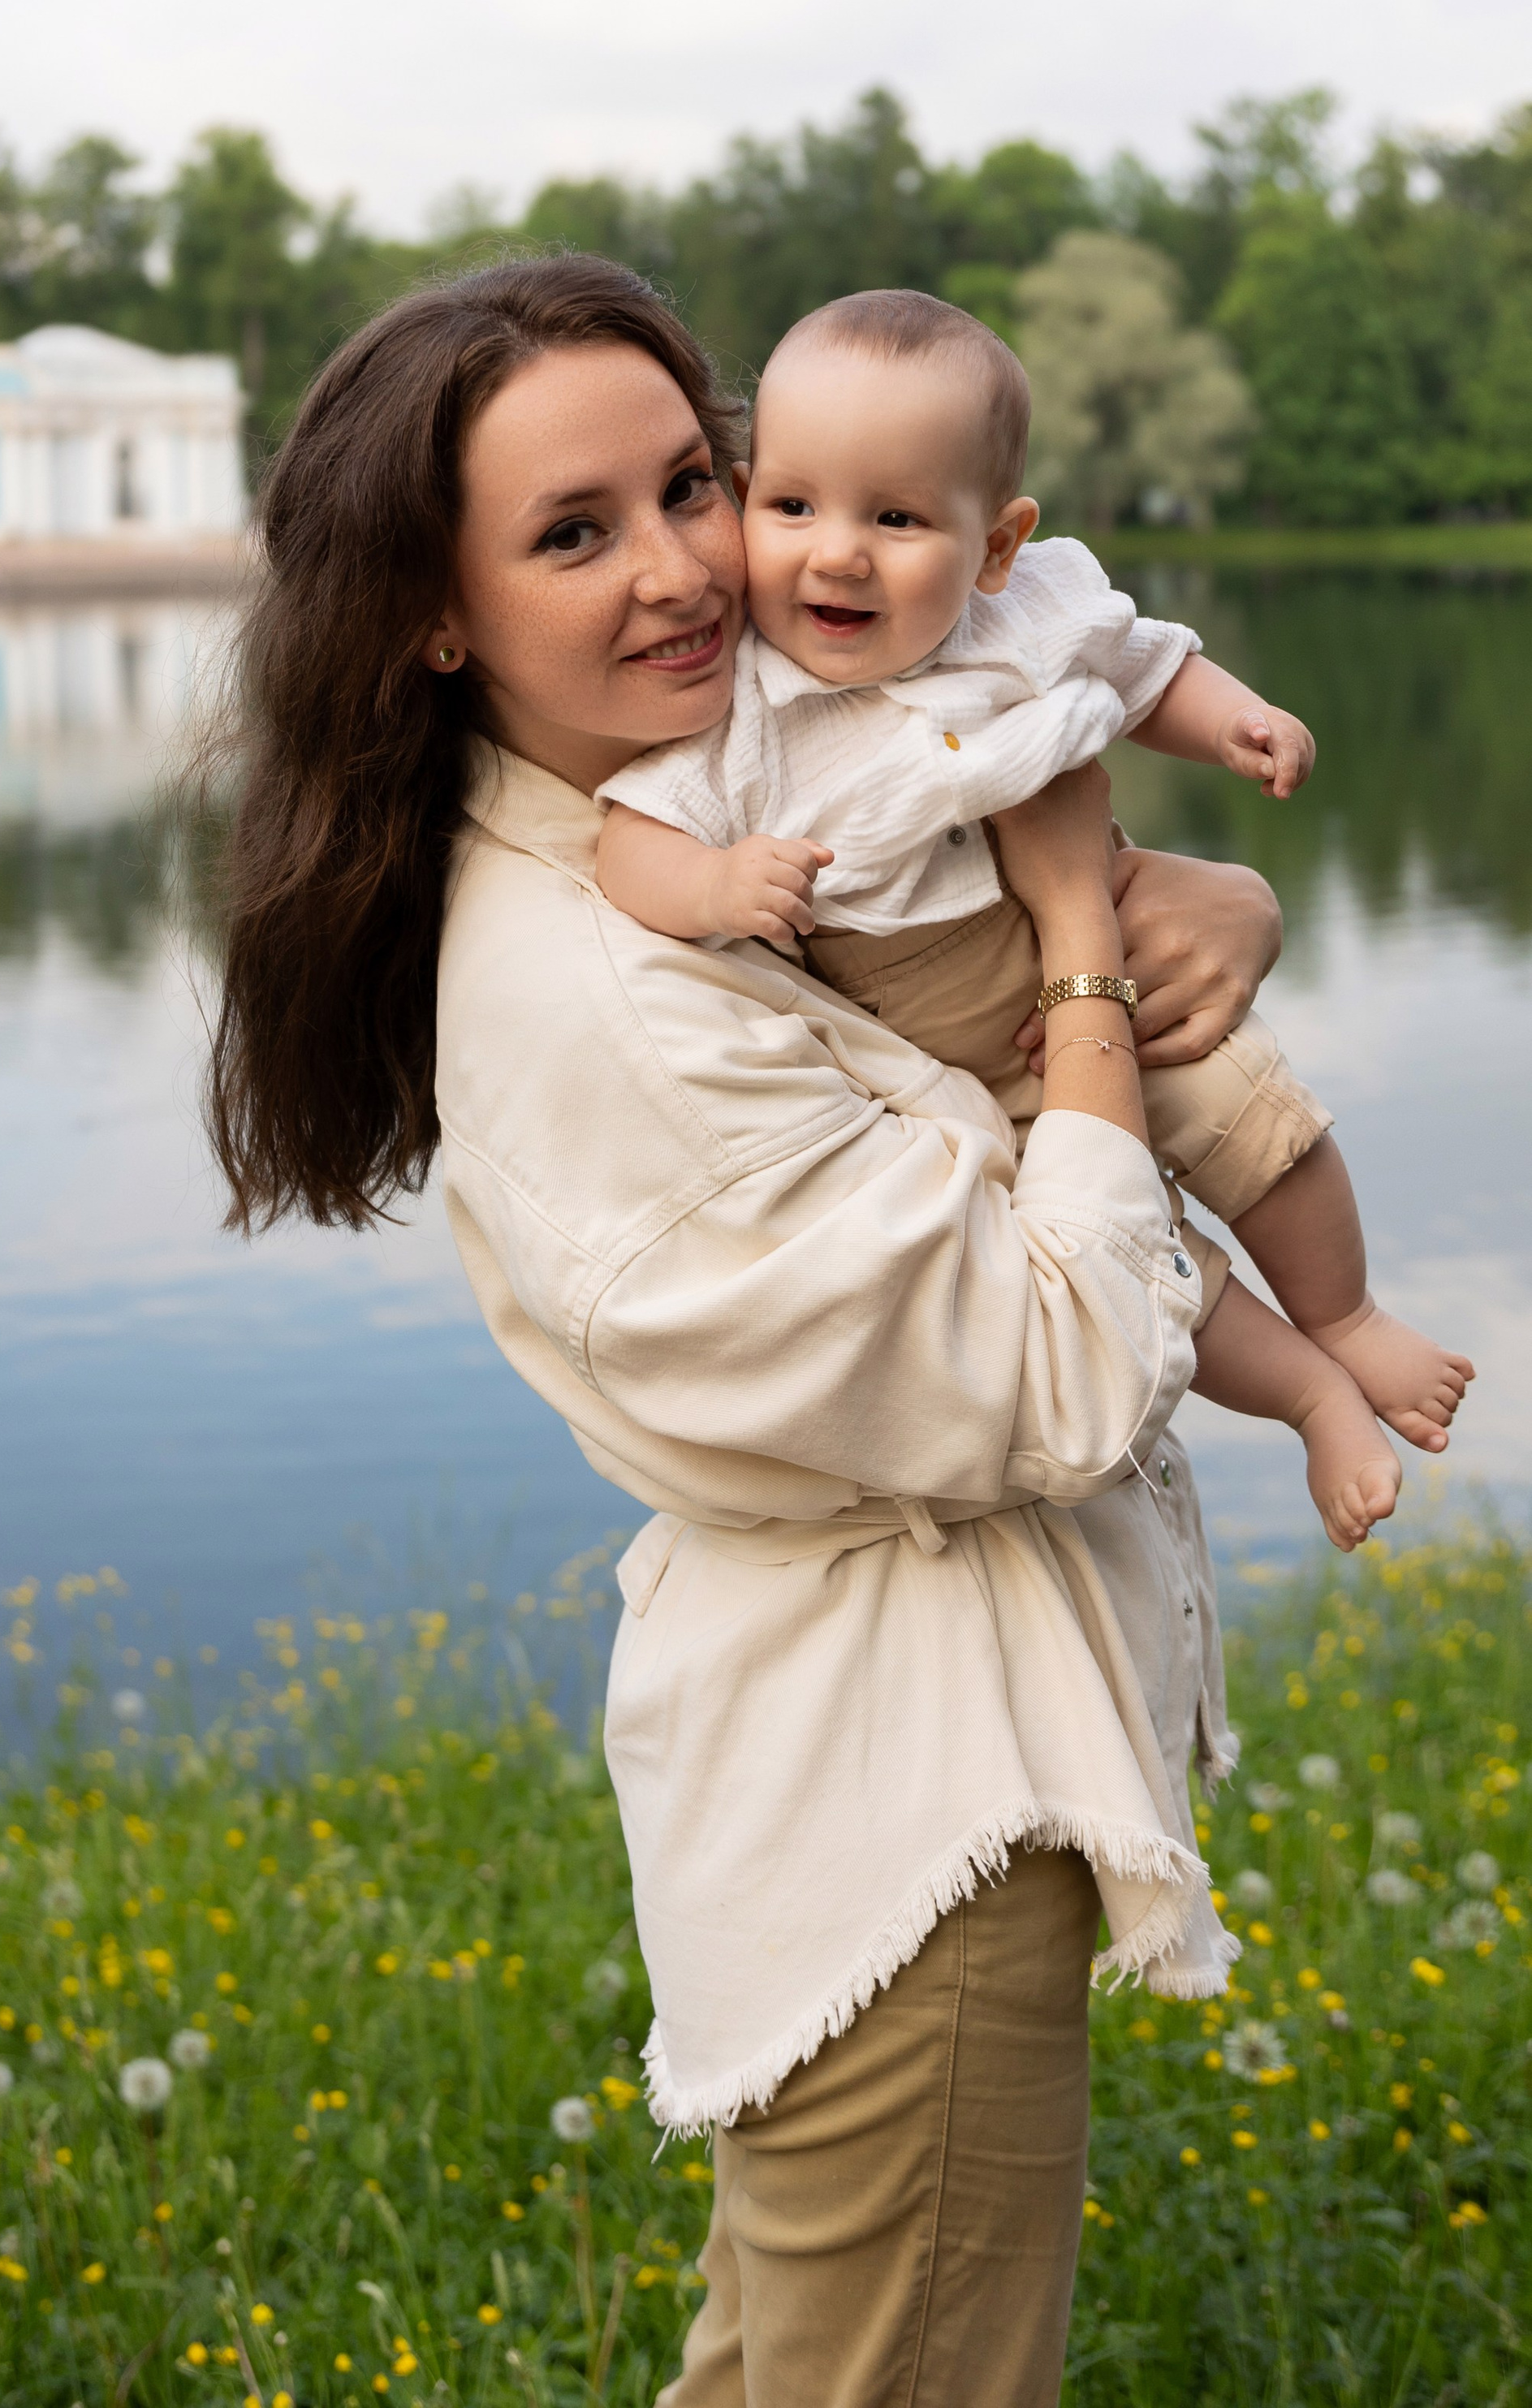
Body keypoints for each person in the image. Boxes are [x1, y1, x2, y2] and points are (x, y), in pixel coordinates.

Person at [206, 256, 1300, 2407]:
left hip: (861, 1778)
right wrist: (1087, 942)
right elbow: (1069, 1368)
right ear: (434, 610)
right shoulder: (608, 996)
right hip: (917, 1809)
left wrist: (1199, 893)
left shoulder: (706, 814)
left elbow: (939, 937)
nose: (695, 569)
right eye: (570, 533)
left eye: (692, 484)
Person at [595, 287, 1472, 1553]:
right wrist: (720, 890)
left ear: (996, 547)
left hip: (1123, 964)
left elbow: (1150, 668)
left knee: (1256, 1119)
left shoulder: (1028, 618)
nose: (835, 553)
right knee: (1141, 1255)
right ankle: (1310, 1396)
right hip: (954, 1035)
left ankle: (1346, 1317)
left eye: (895, 519)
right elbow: (636, 845)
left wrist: (1239, 722)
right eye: (792, 506)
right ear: (746, 499)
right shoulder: (741, 708)